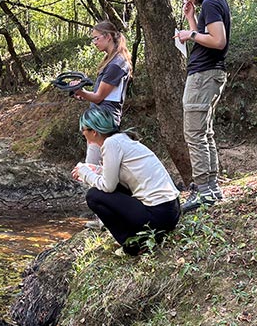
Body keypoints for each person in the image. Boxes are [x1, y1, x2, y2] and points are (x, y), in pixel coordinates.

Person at [71, 107, 181, 256]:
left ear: (94, 131)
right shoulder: (122, 139)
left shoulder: (111, 144)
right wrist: (94, 170)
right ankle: (141, 237)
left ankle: (133, 245)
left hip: (158, 215)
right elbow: (119, 174)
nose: (83, 133)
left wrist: (84, 173)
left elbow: (108, 186)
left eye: (83, 129)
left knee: (94, 196)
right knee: (112, 189)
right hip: (171, 211)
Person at [174, 0, 231, 212]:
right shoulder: (215, 3)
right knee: (204, 132)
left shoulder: (211, 3)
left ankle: (204, 192)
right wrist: (191, 19)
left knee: (194, 134)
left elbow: (218, 41)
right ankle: (212, 188)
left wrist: (189, 35)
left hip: (203, 76)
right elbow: (208, 35)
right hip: (211, 74)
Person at [72, 20, 133, 165]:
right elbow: (102, 96)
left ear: (108, 37)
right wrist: (83, 94)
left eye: (96, 38)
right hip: (101, 119)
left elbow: (99, 97)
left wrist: (80, 91)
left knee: (93, 167)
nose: (94, 42)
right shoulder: (113, 60)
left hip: (103, 121)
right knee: (102, 167)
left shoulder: (116, 64)